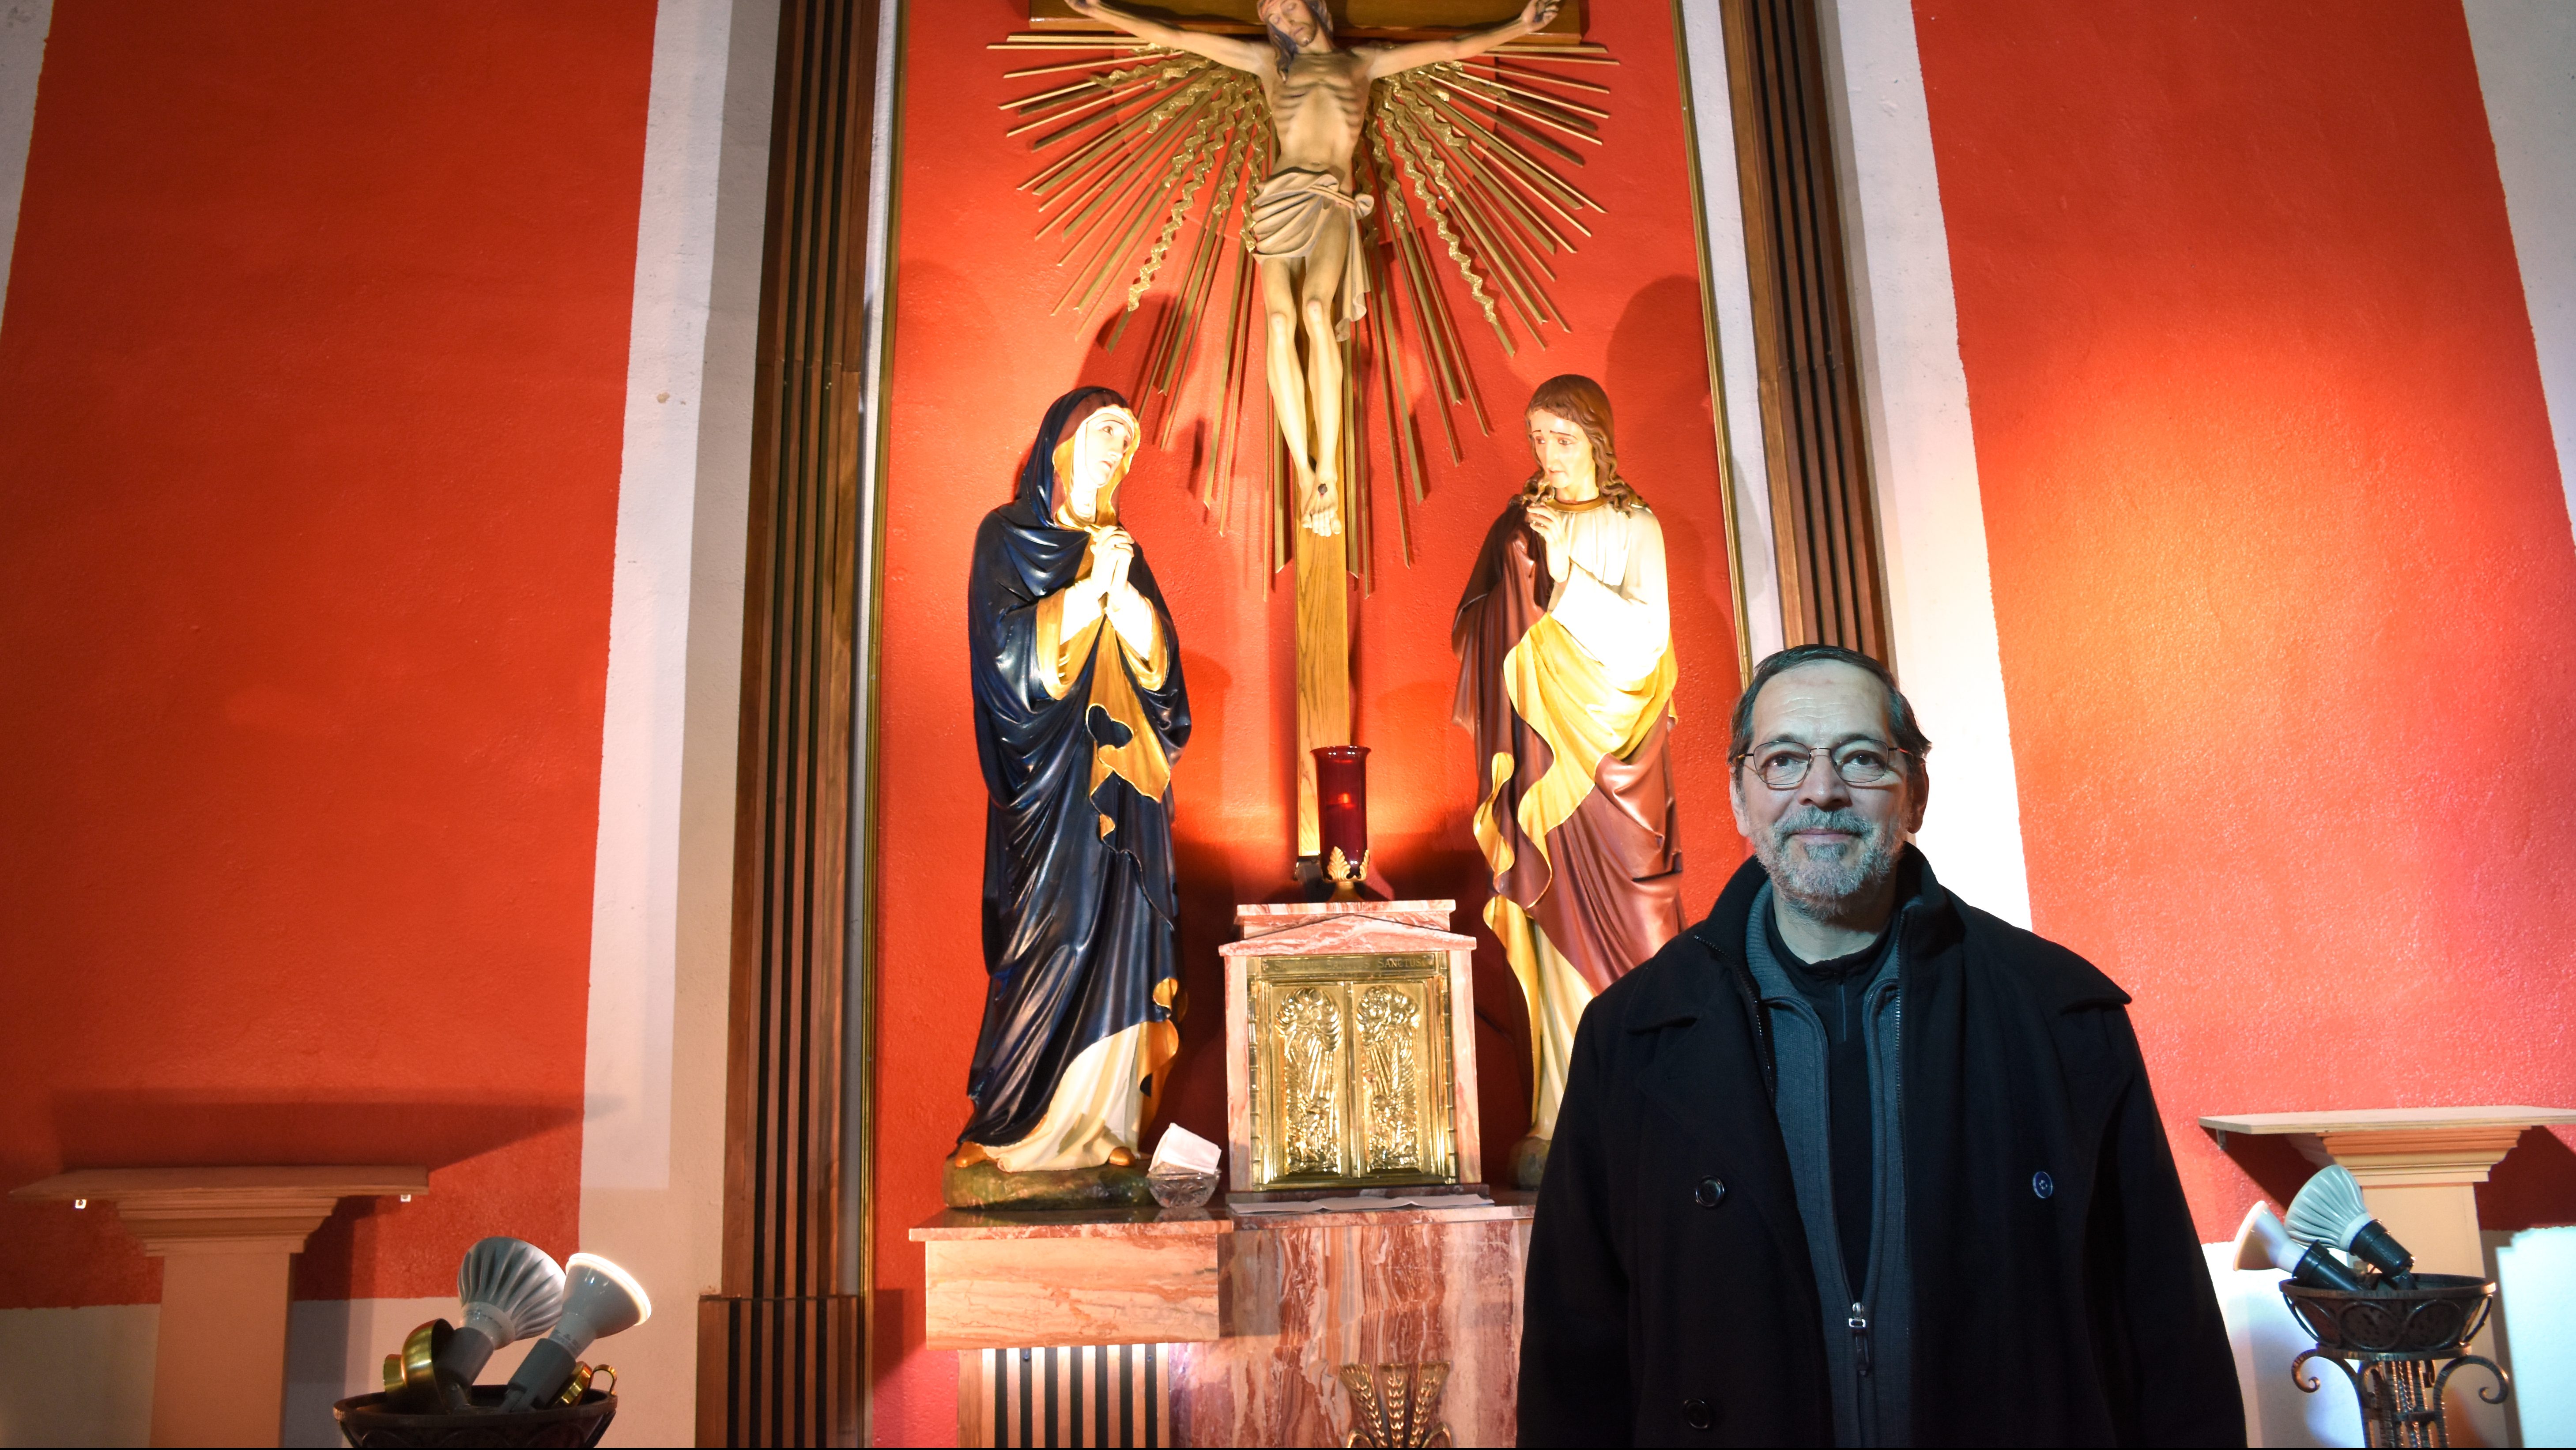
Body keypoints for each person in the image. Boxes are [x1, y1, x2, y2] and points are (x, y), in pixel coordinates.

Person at [1519, 645, 2242, 1445]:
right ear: (1739, 797)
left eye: (1861, 758)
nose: (1821, 790)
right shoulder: (1631, 1037)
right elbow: (1573, 1362)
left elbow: (2169, 1343)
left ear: (1915, 792)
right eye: (1784, 760)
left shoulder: (2060, 1015)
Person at [1064, 0, 1561, 534]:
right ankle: (1305, 471)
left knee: (1319, 311)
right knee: (1280, 322)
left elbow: (1452, 47)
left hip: (1333, 199)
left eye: (1289, 5)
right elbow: (1179, 37)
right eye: (1273, 15)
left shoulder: (1363, 64)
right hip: (1279, 200)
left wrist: (1518, 25)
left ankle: (1329, 469)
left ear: (1315, 4)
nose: (1284, 19)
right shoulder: (1267, 65)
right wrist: (1102, 10)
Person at [951, 388, 1189, 1190]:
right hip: (1049, 783)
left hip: (1126, 787)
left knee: (1121, 934)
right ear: (1062, 444)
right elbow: (1004, 666)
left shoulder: (1125, 548)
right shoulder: (1007, 537)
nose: (1116, 450)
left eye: (1126, 439)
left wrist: (1125, 598)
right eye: (1103, 432)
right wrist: (1089, 596)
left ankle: (1106, 1129)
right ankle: (1008, 1126)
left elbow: (1165, 689)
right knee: (1052, 936)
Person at [1453, 375, 1682, 1186]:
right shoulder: (1516, 526)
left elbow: (1647, 640)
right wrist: (1523, 566)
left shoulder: (1634, 524)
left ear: (1596, 441)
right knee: (1555, 919)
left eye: (1564, 438)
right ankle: (1561, 1114)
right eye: (1538, 438)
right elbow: (1488, 634)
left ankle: (1646, 1111)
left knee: (1637, 928)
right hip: (1545, 762)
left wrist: (1563, 570)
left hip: (1618, 763)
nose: (1548, 453)